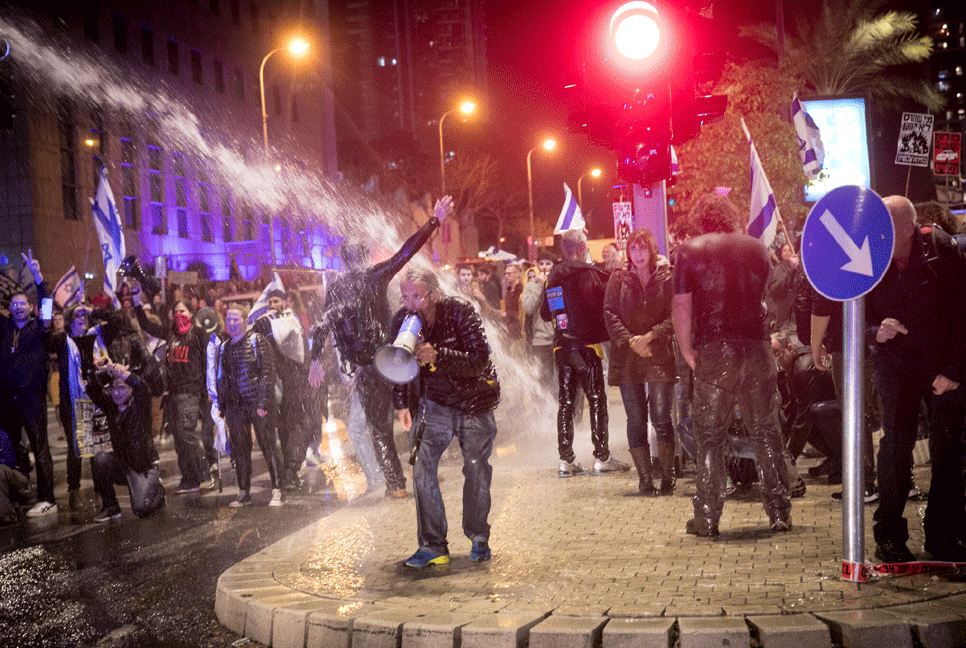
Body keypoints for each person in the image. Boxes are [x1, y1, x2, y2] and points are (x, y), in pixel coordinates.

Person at [309, 196, 452, 498]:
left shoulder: (337, 288)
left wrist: (314, 359)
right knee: (414, 412)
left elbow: (323, 324)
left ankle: (395, 485)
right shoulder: (375, 276)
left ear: (344, 259)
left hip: (364, 367)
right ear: (364, 256)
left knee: (381, 430)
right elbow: (407, 251)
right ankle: (422, 470)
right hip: (391, 357)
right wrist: (433, 221)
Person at [671, 192, 791, 536]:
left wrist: (688, 350)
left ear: (702, 218)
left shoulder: (690, 251)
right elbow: (768, 302)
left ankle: (707, 517)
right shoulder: (756, 249)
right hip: (756, 349)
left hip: (715, 349)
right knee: (767, 433)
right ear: (730, 216)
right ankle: (779, 510)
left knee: (710, 439)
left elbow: (682, 306)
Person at [864, 196, 966, 563]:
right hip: (895, 365)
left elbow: (962, 313)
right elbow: (848, 317)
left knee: (947, 450)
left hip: (941, 366)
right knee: (896, 447)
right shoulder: (869, 255)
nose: (877, 236)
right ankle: (888, 534)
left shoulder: (942, 251)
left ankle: (943, 534)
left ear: (908, 228)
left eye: (886, 227)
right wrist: (875, 331)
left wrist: (953, 372)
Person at [391, 268, 500, 568]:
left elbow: (479, 360)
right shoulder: (402, 322)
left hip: (473, 403)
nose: (410, 303)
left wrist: (439, 355)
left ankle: (478, 537)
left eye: (417, 296)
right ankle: (432, 545)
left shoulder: (461, 312)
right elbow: (397, 366)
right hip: (434, 405)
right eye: (405, 296)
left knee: (476, 469)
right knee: (422, 468)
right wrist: (402, 404)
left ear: (434, 295)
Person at [541, 230, 630, 477]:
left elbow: (548, 314)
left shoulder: (554, 276)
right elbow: (604, 303)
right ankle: (601, 456)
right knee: (597, 400)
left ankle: (566, 460)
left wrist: (565, 319)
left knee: (566, 402)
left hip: (562, 348)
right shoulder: (588, 274)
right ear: (582, 246)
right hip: (586, 347)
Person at [604, 227, 677, 496]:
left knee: (660, 417)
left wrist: (651, 336)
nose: (638, 254)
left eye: (642, 248)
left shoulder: (667, 276)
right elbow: (610, 313)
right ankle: (645, 479)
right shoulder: (618, 279)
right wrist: (633, 341)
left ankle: (668, 476)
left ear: (651, 249)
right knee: (635, 419)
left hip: (658, 354)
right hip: (628, 357)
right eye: (633, 249)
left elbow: (674, 314)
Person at [134, 292, 212, 494]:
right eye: (176, 311)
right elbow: (146, 325)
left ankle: (205, 474)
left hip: (191, 390)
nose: (178, 314)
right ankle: (189, 478)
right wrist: (137, 302)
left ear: (191, 312)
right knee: (178, 437)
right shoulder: (170, 334)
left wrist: (209, 388)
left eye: (183, 311)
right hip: (173, 392)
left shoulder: (197, 334)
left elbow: (208, 361)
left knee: (187, 434)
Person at [0, 250, 58, 517]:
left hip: (31, 398)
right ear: (9, 308)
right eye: (14, 304)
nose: (18, 307)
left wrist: (38, 279)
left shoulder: (38, 328)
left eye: (23, 303)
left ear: (30, 307)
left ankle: (48, 499)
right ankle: (15, 494)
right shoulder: (5, 329)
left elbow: (47, 305)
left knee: (40, 446)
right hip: (8, 400)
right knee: (10, 448)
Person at [216, 304, 285, 507]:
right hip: (235, 407)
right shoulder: (224, 347)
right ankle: (244, 491)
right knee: (239, 448)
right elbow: (223, 378)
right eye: (228, 319)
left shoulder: (258, 341)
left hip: (257, 403)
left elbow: (268, 373)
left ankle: (278, 489)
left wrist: (263, 401)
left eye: (236, 319)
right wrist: (221, 404)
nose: (232, 323)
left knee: (267, 445)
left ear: (245, 321)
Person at [87, 357, 166, 522]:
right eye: (113, 388)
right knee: (100, 459)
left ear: (130, 390)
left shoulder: (140, 404)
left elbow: (141, 385)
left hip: (142, 468)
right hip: (124, 466)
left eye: (122, 388)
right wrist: (100, 371)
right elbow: (93, 390)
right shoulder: (111, 406)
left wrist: (115, 368)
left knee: (141, 509)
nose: (117, 393)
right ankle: (111, 507)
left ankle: (157, 490)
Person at [252, 289, 313, 490]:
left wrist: (271, 332)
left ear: (285, 302)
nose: (271, 305)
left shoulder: (289, 321)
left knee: (299, 425)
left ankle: (291, 469)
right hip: (279, 384)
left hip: (296, 382)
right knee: (287, 427)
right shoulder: (266, 322)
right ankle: (289, 470)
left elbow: (293, 349)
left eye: (275, 300)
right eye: (269, 301)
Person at [522, 251, 557, 389]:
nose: (544, 266)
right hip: (540, 340)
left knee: (559, 379)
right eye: (541, 263)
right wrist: (539, 287)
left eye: (548, 263)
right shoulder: (531, 286)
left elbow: (557, 308)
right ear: (536, 265)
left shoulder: (556, 283)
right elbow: (528, 308)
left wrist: (548, 286)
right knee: (543, 380)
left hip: (557, 338)